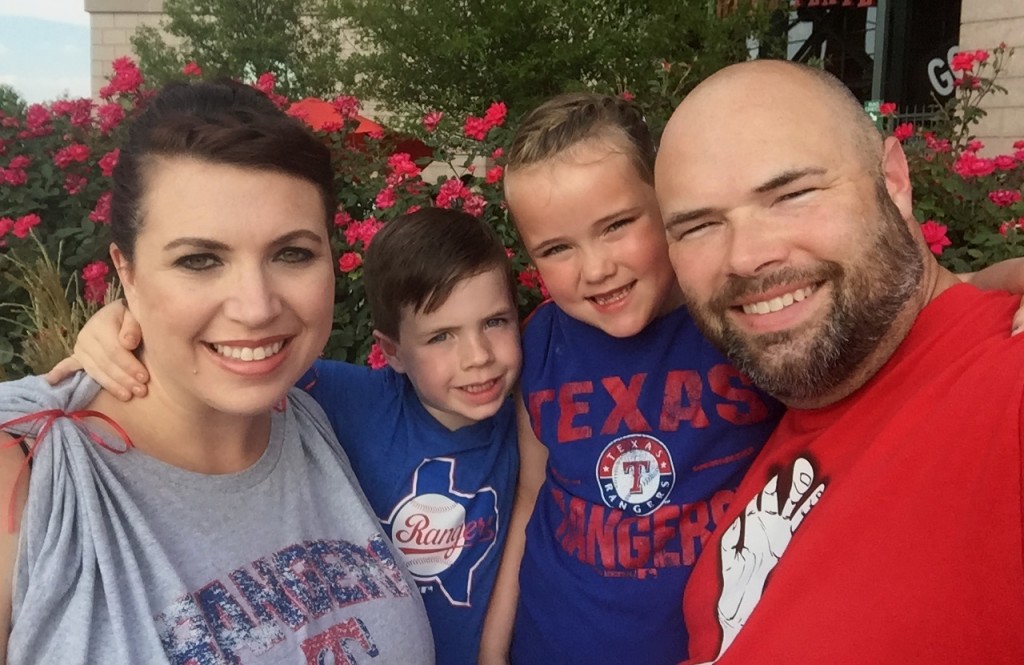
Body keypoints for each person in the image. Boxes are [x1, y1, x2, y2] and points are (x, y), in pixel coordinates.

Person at [0, 80, 433, 664]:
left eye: (292, 254)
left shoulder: (317, 414)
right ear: (126, 273)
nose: (255, 307)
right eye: (199, 260)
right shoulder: (32, 477)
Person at [655, 60, 1024, 664]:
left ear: (894, 180)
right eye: (698, 226)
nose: (746, 257)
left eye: (792, 194)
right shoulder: (808, 399)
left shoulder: (1005, 386)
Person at [51, 208, 521, 665]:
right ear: (391, 351)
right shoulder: (350, 400)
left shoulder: (537, 410)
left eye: (495, 322)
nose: (478, 356)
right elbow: (236, 361)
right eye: (441, 336)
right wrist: (123, 323)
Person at [480, 92, 785, 665]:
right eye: (556, 248)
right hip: (551, 642)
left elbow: (905, 306)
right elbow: (530, 498)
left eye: (617, 225)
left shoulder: (739, 315)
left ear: (667, 202)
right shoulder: (540, 342)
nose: (595, 268)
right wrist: (492, 651)